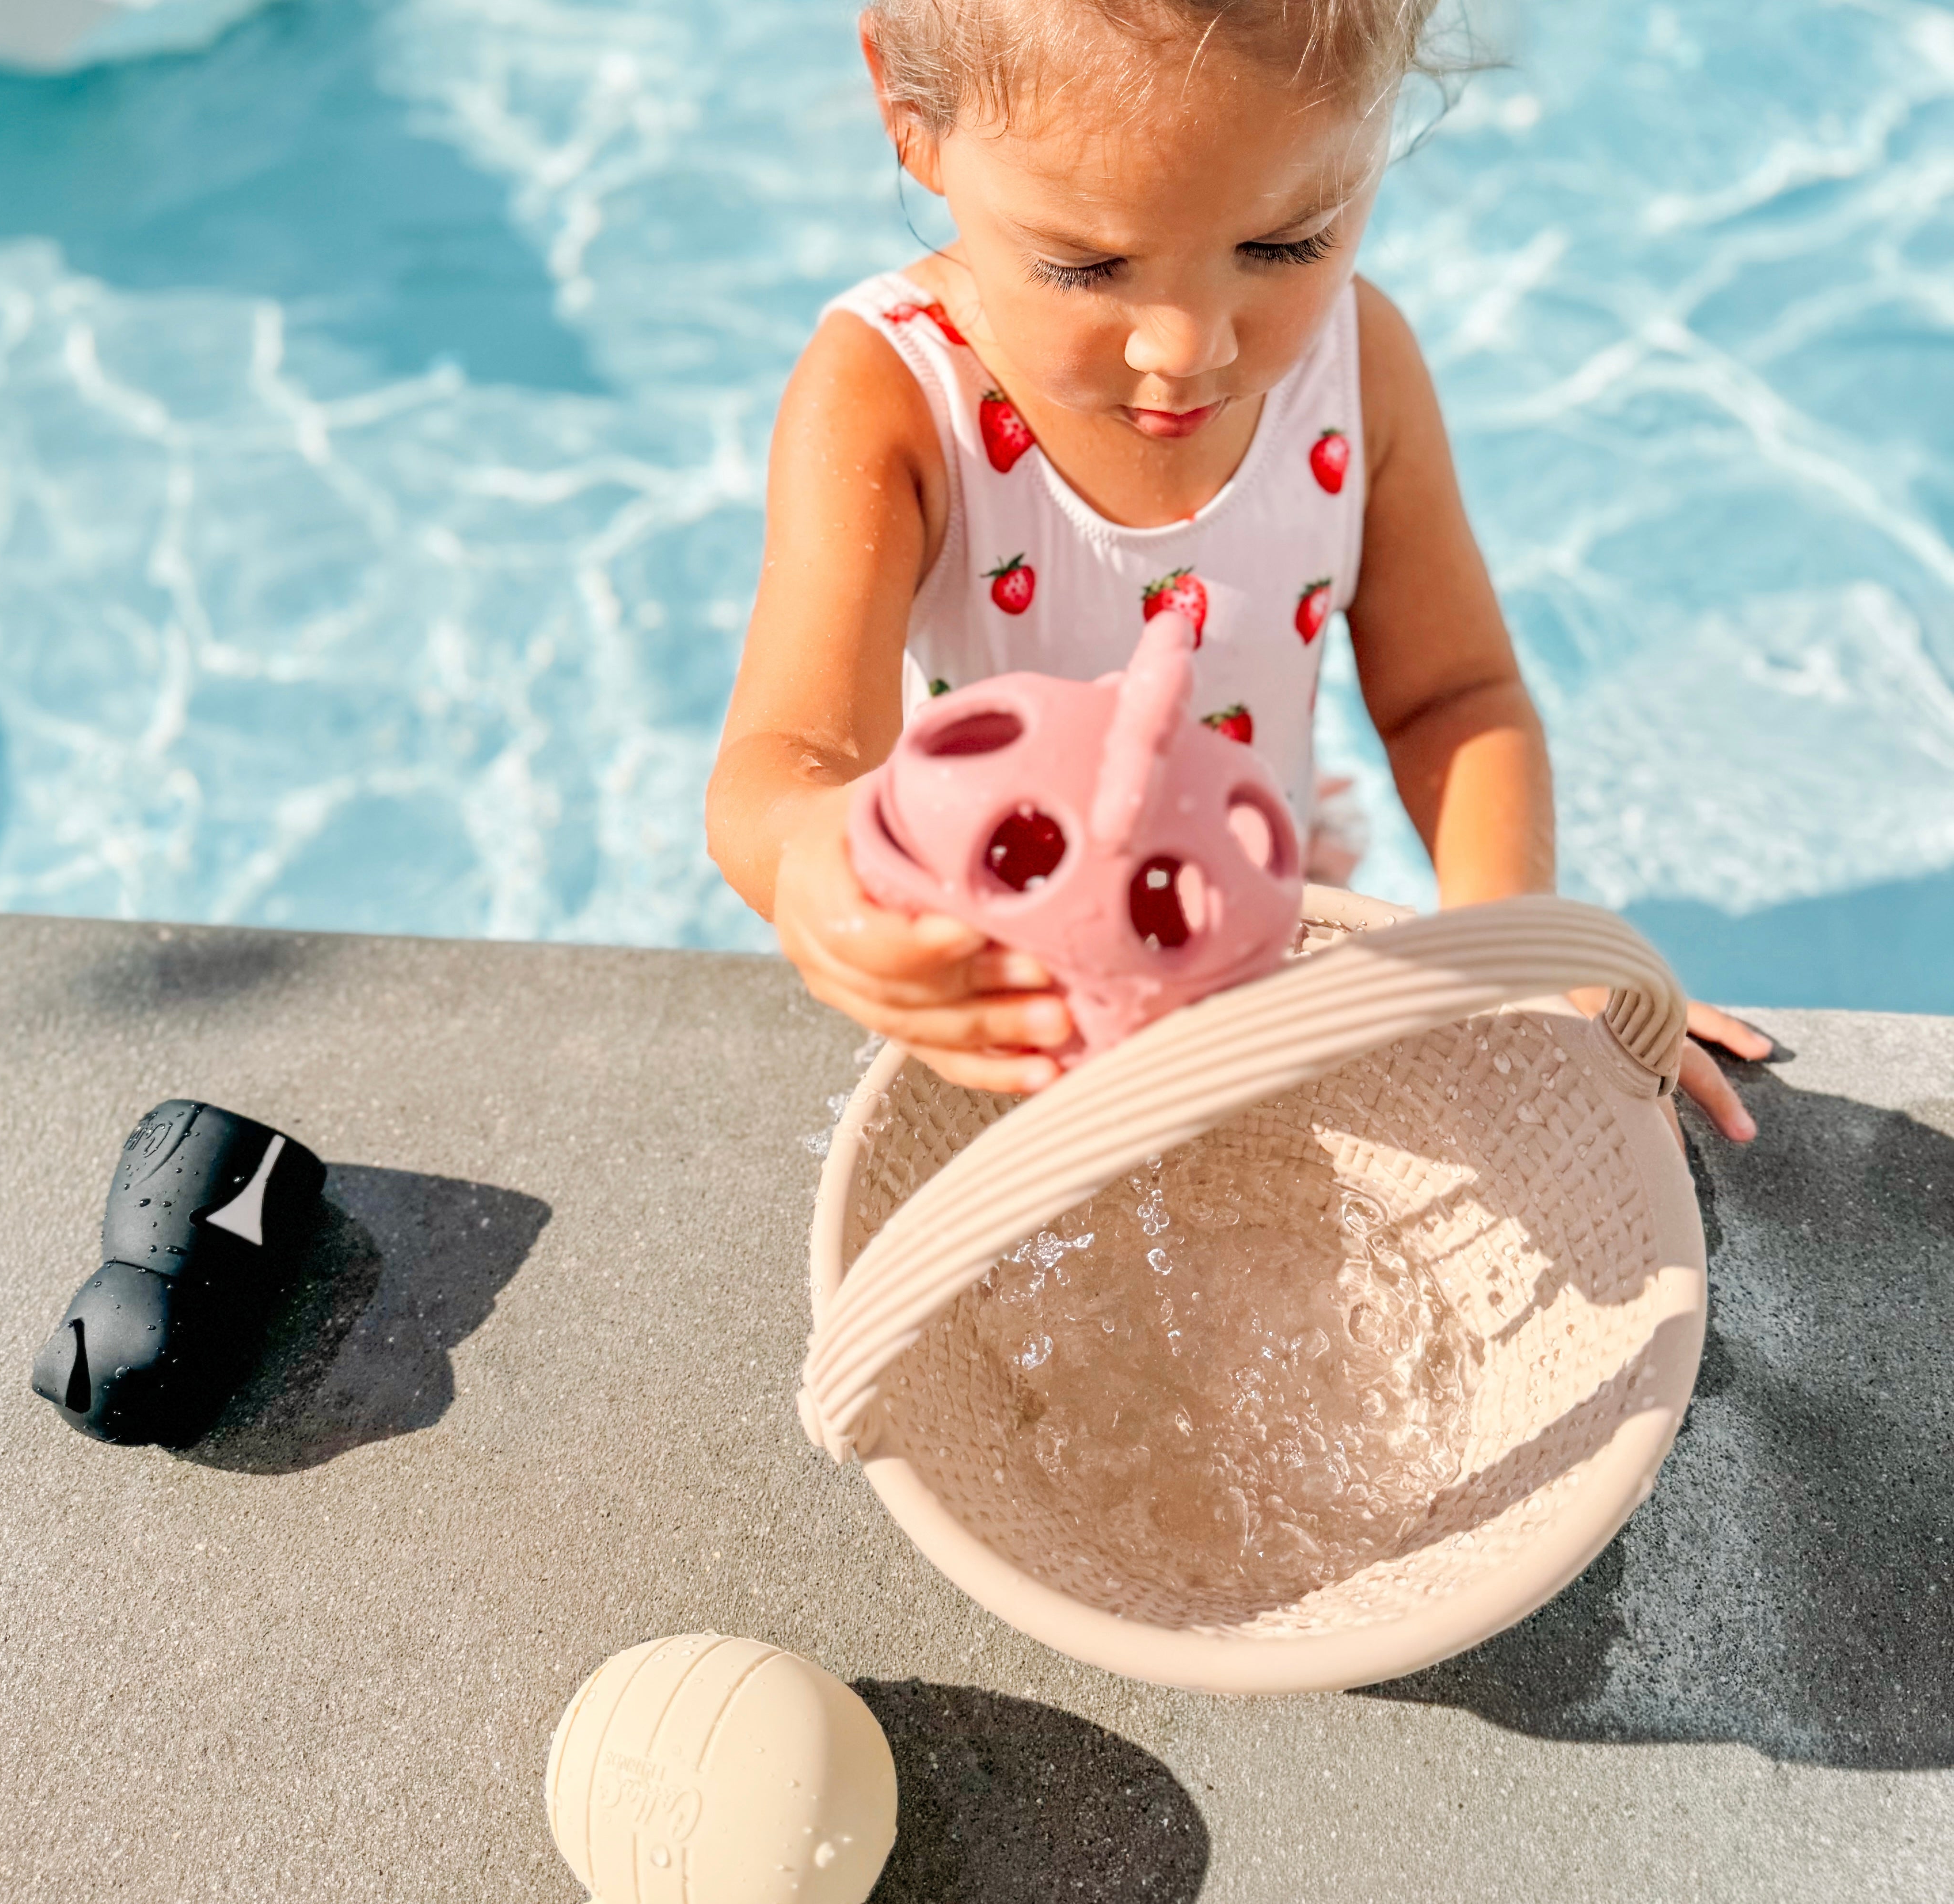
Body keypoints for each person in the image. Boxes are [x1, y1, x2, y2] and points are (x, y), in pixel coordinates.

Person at [707, 0, 1769, 1134]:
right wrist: (823, 870)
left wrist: (1507, 941)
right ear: (909, 115)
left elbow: (1453, 698)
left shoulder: (1359, 368)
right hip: (1002, 974)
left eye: (1284, 245)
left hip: (1255, 895)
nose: (1190, 347)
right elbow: (787, 762)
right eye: (1088, 264)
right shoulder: (893, 398)